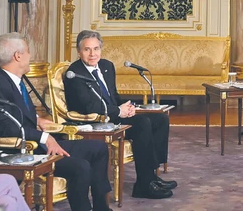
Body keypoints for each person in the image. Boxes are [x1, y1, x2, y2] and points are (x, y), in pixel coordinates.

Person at [0, 33, 112, 211]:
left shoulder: (11, 78)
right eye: (28, 52)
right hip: (23, 150)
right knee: (80, 166)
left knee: (98, 148)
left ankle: (101, 208)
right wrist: (44, 137)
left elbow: (12, 113)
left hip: (37, 143)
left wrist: (37, 119)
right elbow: (6, 127)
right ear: (18, 56)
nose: (30, 56)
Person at [62, 30, 176, 200]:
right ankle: (143, 185)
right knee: (142, 123)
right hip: (95, 120)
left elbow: (113, 95)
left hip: (113, 113)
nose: (92, 54)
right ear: (79, 51)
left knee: (160, 118)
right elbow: (88, 106)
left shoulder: (107, 66)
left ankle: (152, 175)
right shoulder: (75, 73)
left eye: (96, 48)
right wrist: (118, 111)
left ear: (101, 49)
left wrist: (127, 107)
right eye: (87, 49)